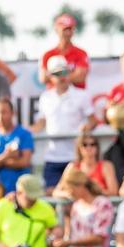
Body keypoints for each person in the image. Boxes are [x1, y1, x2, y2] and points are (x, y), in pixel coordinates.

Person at [31, 56, 96, 192]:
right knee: (51, 194)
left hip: (75, 156)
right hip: (52, 157)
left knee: (76, 194)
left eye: (64, 72)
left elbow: (92, 120)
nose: (61, 77)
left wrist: (87, 127)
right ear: (50, 77)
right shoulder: (45, 97)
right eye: (57, 73)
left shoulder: (81, 95)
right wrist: (28, 131)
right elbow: (41, 122)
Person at [0, 174, 61, 247]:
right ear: (18, 193)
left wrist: (54, 237)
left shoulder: (45, 207)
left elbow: (56, 228)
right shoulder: (1, 207)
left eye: (35, 197)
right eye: (29, 197)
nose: (33, 200)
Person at [51, 168, 115, 247]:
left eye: (70, 189)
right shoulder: (76, 205)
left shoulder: (103, 204)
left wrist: (70, 243)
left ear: (80, 186)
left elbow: (100, 237)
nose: (69, 193)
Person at [0, 98, 34, 194]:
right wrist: (6, 156)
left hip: (20, 191)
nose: (0, 117)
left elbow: (25, 162)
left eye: (4, 112)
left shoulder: (24, 134)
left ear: (13, 113)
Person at [40, 13, 89, 89]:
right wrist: (69, 75)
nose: (68, 33)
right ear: (57, 29)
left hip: (76, 96)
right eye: (65, 29)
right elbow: (43, 78)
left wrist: (55, 76)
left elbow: (80, 77)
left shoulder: (81, 53)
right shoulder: (48, 54)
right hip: (54, 95)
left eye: (70, 29)